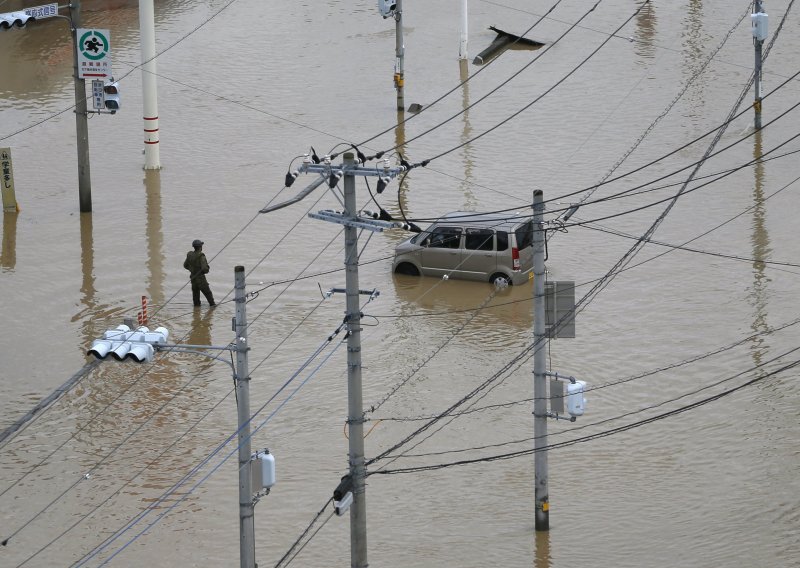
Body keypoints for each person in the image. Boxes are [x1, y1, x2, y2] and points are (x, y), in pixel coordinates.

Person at [184, 239, 215, 307]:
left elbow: (185, 265)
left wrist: (192, 270)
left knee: (195, 296)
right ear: (200, 247)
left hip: (193, 278)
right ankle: (212, 308)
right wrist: (207, 268)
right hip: (201, 279)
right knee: (208, 294)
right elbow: (205, 269)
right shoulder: (201, 256)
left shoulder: (190, 255)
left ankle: (196, 311)